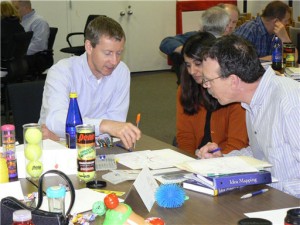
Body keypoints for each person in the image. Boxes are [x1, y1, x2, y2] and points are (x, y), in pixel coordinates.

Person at [197, 34, 300, 197]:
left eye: (209, 80)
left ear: (233, 80)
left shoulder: (290, 103)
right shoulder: (253, 102)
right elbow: (262, 153)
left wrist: (278, 193)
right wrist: (223, 158)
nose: (206, 86)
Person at [39, 16, 141, 149]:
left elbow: (114, 133)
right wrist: (103, 125)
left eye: (119, 53)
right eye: (108, 53)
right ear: (89, 47)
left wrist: (69, 138)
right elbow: (55, 120)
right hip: (56, 151)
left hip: (86, 148)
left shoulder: (121, 72)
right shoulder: (62, 71)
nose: (114, 61)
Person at [177, 32, 248, 155]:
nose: (192, 71)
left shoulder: (233, 91)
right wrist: (188, 162)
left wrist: (218, 162)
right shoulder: (186, 88)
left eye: (198, 64)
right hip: (198, 158)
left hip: (226, 158)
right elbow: (185, 136)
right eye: (188, 65)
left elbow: (238, 143)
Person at [159, 6, 230, 84]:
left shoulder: (193, 37)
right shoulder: (229, 44)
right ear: (226, 28)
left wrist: (185, 50)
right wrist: (188, 50)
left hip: (190, 86)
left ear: (202, 26)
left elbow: (165, 42)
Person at [12, 0, 51, 78]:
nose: (13, 11)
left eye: (16, 8)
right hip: (21, 56)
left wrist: (16, 53)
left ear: (26, 8)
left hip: (35, 57)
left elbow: (38, 45)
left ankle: (10, 88)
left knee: (9, 65)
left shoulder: (39, 22)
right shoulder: (17, 22)